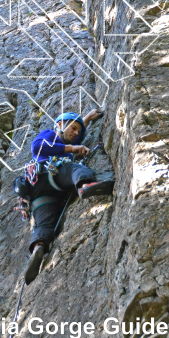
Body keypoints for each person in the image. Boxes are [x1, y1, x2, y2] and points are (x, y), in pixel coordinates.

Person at [13, 109, 115, 285]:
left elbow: (72, 132)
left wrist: (88, 119)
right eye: (73, 129)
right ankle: (85, 186)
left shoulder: (64, 140)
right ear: (59, 125)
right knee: (75, 169)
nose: (76, 134)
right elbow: (36, 147)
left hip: (40, 194)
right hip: (49, 171)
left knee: (44, 222)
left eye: (78, 132)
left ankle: (39, 247)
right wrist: (73, 148)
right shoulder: (50, 135)